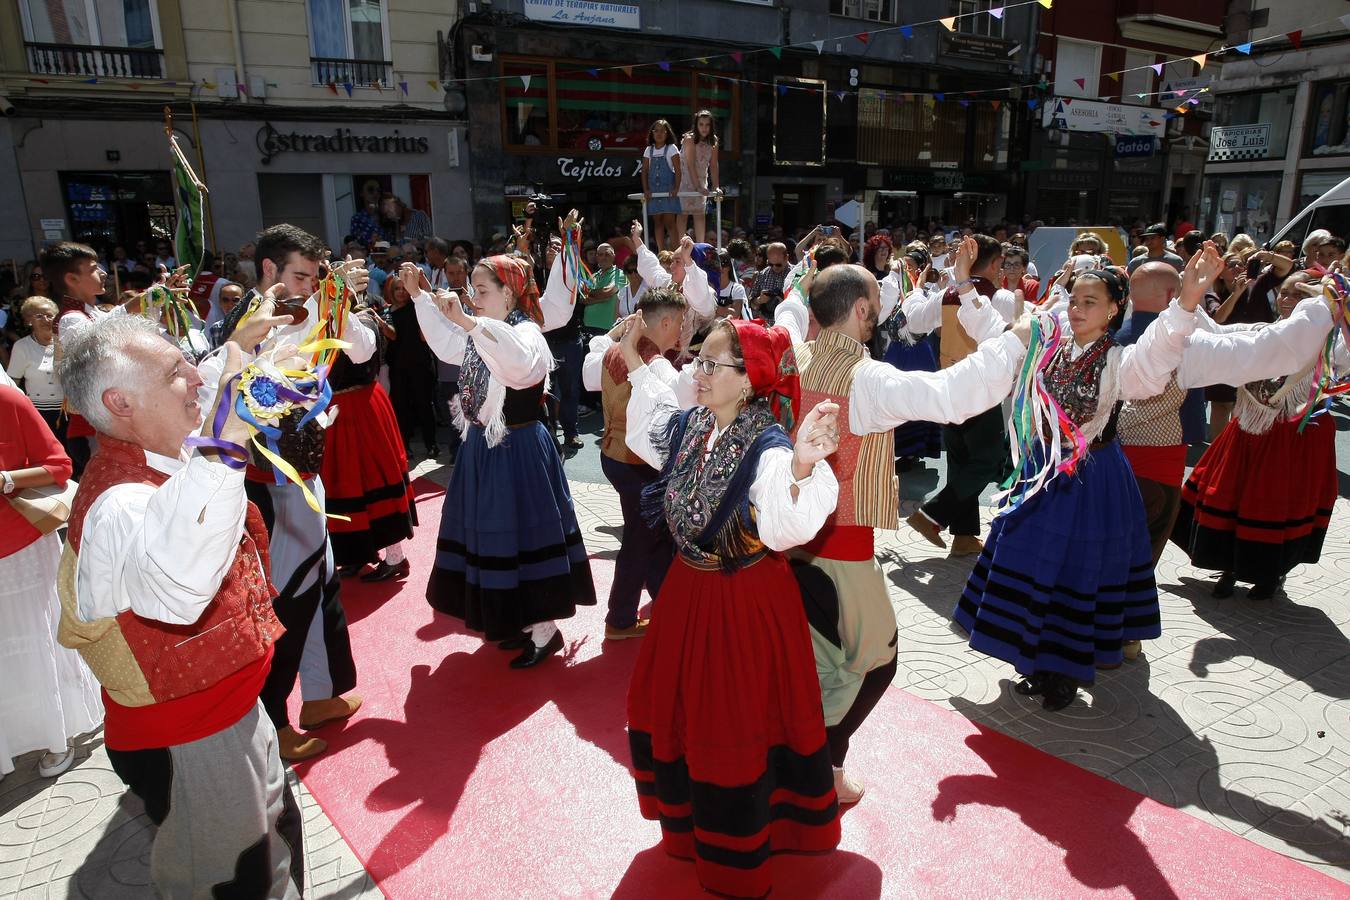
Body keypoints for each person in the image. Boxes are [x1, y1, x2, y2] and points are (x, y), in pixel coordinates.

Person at [55, 313, 303, 898]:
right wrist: (232, 440)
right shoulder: (120, 503)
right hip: (192, 734)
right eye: (174, 371)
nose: (194, 375)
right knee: (231, 879)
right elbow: (178, 592)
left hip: (227, 712)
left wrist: (241, 349)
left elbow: (213, 383)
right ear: (121, 402)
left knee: (271, 850)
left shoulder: (157, 444)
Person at [774, 262, 1019, 797]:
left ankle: (801, 760)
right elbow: (952, 396)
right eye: (874, 309)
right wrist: (1017, 338)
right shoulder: (866, 377)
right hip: (841, 545)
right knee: (876, 660)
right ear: (861, 310)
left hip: (788, 541)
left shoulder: (792, 355)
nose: (877, 318)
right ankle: (821, 770)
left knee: (822, 658)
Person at [621, 314, 843, 898]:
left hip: (742, 602)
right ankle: (690, 823)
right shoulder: (694, 425)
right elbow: (650, 429)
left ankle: (737, 849)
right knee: (679, 706)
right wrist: (636, 356)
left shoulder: (767, 446)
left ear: (747, 381)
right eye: (697, 360)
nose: (697, 371)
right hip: (686, 593)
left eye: (710, 364)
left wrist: (801, 466)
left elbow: (783, 523)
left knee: (732, 718)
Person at [955, 259, 1208, 712]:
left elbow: (1157, 358)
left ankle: (1065, 670)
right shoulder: (1050, 344)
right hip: (1041, 475)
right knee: (1032, 563)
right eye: (1073, 299)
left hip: (1091, 480)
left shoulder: (1119, 359)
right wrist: (962, 283)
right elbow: (999, 336)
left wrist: (1186, 300)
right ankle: (1032, 660)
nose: (1076, 308)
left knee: (1077, 570)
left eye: (1090, 302)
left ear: (1114, 309)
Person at [200, 226, 372, 762]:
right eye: (300, 275)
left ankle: (319, 696)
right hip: (267, 488)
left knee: (320, 588)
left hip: (306, 477)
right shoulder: (243, 329)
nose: (310, 286)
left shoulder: (315, 311)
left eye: (315, 277)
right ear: (269, 272)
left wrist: (341, 298)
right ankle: (272, 720)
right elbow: (221, 409)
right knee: (286, 601)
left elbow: (361, 349)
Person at [407, 242, 597, 667]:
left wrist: (469, 322)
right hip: (484, 449)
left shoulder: (524, 332)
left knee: (522, 535)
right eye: (472, 288)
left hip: (518, 450)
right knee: (494, 535)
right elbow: (444, 345)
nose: (473, 296)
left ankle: (544, 630)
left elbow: (518, 362)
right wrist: (420, 297)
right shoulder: (481, 330)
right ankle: (516, 620)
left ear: (509, 294)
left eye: (482, 289)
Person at [1172, 269, 1346, 601]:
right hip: (1251, 430)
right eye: (1284, 292)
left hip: (1295, 434)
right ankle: (1228, 566)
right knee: (1234, 494)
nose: (1287, 300)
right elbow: (1219, 336)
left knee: (1278, 502)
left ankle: (1270, 572)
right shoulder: (1261, 332)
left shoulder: (1331, 346)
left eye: (1299, 295)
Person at [0, 385, 102, 782]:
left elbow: (59, 465)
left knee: (36, 641)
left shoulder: (8, 400)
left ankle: (58, 736)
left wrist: (7, 479)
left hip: (21, 548)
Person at [901, 236, 1017, 555]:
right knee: (989, 460)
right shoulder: (1002, 297)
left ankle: (964, 537)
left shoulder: (947, 294)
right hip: (981, 388)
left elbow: (915, 320)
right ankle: (932, 514)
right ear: (994, 264)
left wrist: (914, 290)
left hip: (949, 385)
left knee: (961, 459)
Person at [585, 288, 686, 640]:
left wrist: (614, 334)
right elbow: (683, 402)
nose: (682, 331)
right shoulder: (655, 364)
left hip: (613, 455)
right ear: (666, 322)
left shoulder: (615, 350)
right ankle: (620, 618)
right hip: (638, 464)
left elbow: (587, 373)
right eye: (680, 323)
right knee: (641, 540)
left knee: (651, 536)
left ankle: (663, 604)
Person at [322, 300, 416, 582]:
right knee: (344, 482)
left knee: (374, 478)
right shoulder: (321, 325)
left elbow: (359, 355)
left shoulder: (364, 323)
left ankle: (395, 557)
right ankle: (357, 553)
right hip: (340, 409)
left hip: (360, 408)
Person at [382, 271, 441, 459]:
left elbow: (429, 298)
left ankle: (431, 444)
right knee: (401, 407)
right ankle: (404, 446)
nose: (400, 292)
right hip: (398, 367)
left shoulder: (417, 307)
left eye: (404, 288)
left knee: (424, 405)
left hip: (420, 364)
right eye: (397, 289)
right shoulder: (387, 312)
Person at [679, 110, 720, 244]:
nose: (704, 128)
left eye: (707, 125)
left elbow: (713, 165)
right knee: (683, 214)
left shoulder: (713, 141)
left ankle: (700, 247)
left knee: (699, 215)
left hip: (702, 180)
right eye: (701, 124)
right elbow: (690, 165)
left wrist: (716, 186)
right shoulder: (689, 139)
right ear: (696, 125)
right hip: (685, 180)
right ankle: (680, 247)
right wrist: (698, 187)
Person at [641, 119, 682, 252]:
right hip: (654, 192)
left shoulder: (672, 148)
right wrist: (646, 189)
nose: (659, 134)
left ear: (667, 133)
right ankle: (661, 252)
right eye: (656, 130)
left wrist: (676, 188)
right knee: (657, 222)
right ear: (652, 133)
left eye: (662, 131)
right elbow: (645, 171)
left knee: (670, 223)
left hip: (668, 191)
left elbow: (678, 170)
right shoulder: (649, 150)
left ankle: (676, 252)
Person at [205, 281, 245, 349]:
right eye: (225, 300)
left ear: (244, 301)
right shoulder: (216, 328)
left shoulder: (252, 325)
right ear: (220, 302)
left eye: (235, 300)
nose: (230, 304)